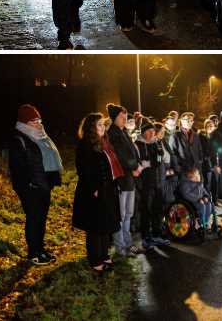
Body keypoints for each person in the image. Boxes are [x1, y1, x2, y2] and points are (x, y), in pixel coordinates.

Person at [8, 104, 63, 265]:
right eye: (33, 121)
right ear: (25, 123)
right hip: (31, 187)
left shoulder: (41, 136)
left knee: (42, 219)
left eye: (39, 120)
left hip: (43, 184)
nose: (38, 124)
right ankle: (33, 253)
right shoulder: (19, 138)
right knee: (34, 219)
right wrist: (30, 184)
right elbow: (17, 167)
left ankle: (41, 249)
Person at [72, 113, 122, 272]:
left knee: (105, 223)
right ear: (91, 128)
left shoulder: (104, 142)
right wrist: (94, 188)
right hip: (93, 192)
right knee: (94, 226)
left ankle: (104, 254)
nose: (102, 128)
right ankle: (95, 259)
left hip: (107, 189)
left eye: (103, 125)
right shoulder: (85, 144)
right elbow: (83, 169)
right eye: (99, 125)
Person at [107, 104, 143, 256]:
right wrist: (134, 167)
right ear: (114, 118)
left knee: (128, 213)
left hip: (129, 180)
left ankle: (128, 243)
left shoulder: (124, 132)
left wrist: (137, 164)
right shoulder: (113, 134)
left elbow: (132, 152)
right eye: (122, 117)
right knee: (121, 215)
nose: (125, 120)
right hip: (122, 180)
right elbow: (120, 156)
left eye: (126, 117)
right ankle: (120, 247)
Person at [134, 120, 167, 250]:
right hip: (145, 183)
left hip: (158, 181)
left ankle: (156, 235)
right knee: (146, 210)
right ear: (143, 132)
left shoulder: (157, 143)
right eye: (149, 131)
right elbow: (136, 162)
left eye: (153, 131)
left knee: (157, 209)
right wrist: (144, 164)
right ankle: (146, 237)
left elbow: (160, 160)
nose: (152, 133)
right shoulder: (138, 144)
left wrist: (159, 156)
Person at [200, 118, 220, 205]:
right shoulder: (201, 136)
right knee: (207, 183)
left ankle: (215, 200)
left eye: (211, 126)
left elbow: (217, 149)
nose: (209, 127)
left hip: (214, 161)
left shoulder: (215, 136)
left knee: (215, 182)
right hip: (206, 163)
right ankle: (207, 200)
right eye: (208, 125)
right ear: (205, 126)